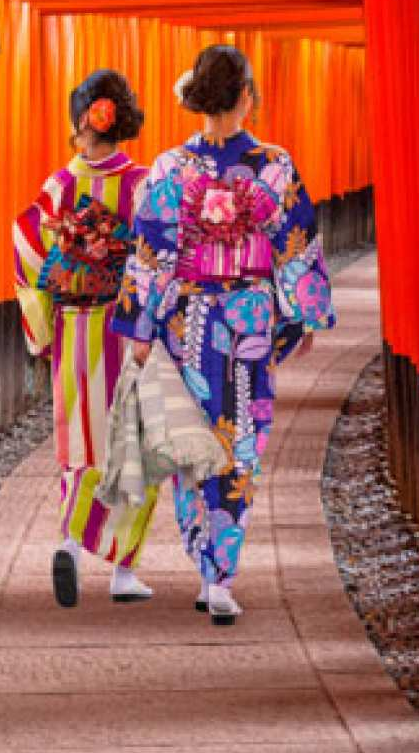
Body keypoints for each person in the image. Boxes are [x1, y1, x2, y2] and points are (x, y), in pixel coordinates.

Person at [111, 44, 336, 625]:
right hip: (249, 317)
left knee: (196, 443)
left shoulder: (168, 169)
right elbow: (296, 242)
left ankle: (205, 561)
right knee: (240, 445)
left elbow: (149, 252)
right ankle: (219, 573)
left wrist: (142, 325)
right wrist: (303, 310)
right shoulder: (274, 165)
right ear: (245, 97)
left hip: (188, 320)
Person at [12, 69, 162, 608]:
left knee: (82, 438)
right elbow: (158, 257)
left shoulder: (58, 187)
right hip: (130, 328)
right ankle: (123, 570)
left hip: (77, 328)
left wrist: (43, 323)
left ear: (81, 121)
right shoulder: (144, 184)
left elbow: (27, 249)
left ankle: (72, 543)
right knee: (136, 442)